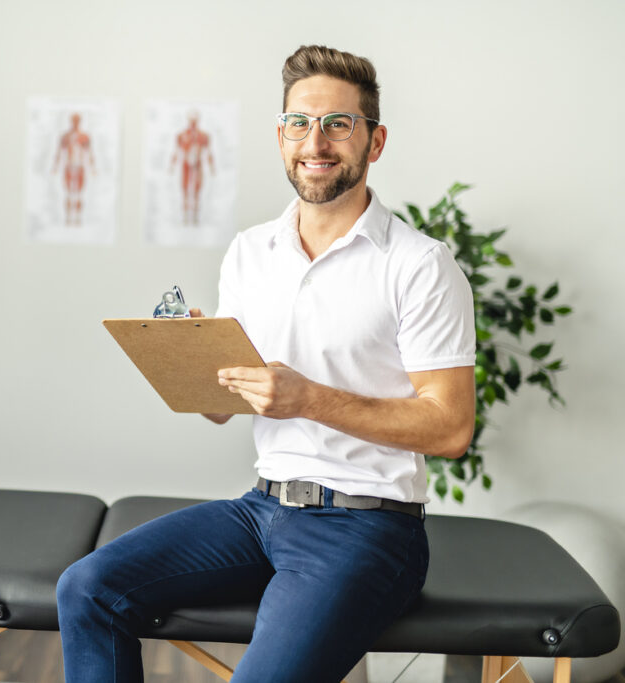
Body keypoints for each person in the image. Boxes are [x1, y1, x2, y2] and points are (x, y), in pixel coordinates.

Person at [57, 45, 476, 683]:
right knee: (87, 588)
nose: (317, 141)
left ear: (375, 140)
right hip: (261, 509)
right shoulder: (250, 251)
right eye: (299, 123)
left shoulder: (419, 265)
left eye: (339, 123)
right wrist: (195, 360)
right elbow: (226, 410)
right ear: (280, 136)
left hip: (368, 527)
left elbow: (449, 428)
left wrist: (308, 398)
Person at [169, 111, 215, 224]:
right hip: (186, 165)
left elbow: (209, 152)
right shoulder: (181, 135)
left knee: (197, 190)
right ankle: (185, 216)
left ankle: (195, 216)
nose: (193, 123)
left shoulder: (204, 136)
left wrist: (211, 166)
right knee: (185, 189)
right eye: (191, 120)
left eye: (195, 120)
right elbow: (176, 151)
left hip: (198, 165)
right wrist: (172, 165)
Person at [52, 112, 96, 225]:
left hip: (79, 166)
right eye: (74, 120)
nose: (76, 123)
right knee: (68, 192)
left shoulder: (84, 136)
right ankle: (67, 218)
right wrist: (55, 167)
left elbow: (90, 152)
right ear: (71, 121)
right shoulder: (65, 136)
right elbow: (59, 151)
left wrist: (92, 168)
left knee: (79, 193)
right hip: (69, 165)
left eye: (77, 120)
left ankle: (78, 219)